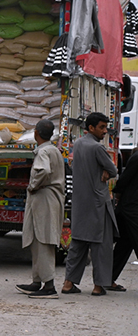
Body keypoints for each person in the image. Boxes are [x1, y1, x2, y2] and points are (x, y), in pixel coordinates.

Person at [61, 112, 119, 296]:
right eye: (101, 127)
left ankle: (68, 283)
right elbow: (113, 169)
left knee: (78, 245)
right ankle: (98, 286)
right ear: (91, 128)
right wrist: (106, 172)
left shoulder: (77, 144)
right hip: (98, 205)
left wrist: (103, 171)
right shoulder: (97, 148)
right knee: (101, 247)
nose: (105, 131)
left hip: (80, 203)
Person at [16, 119, 66, 298]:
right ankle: (37, 281)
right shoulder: (53, 150)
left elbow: (43, 171)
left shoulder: (43, 152)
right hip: (50, 199)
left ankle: (49, 286)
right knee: (38, 239)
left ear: (36, 133)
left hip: (45, 198)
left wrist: (33, 185)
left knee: (43, 240)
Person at [109, 149, 138, 291]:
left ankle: (108, 278)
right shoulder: (136, 158)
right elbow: (124, 181)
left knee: (124, 245)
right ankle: (107, 278)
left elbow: (123, 181)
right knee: (125, 244)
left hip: (130, 208)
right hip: (131, 209)